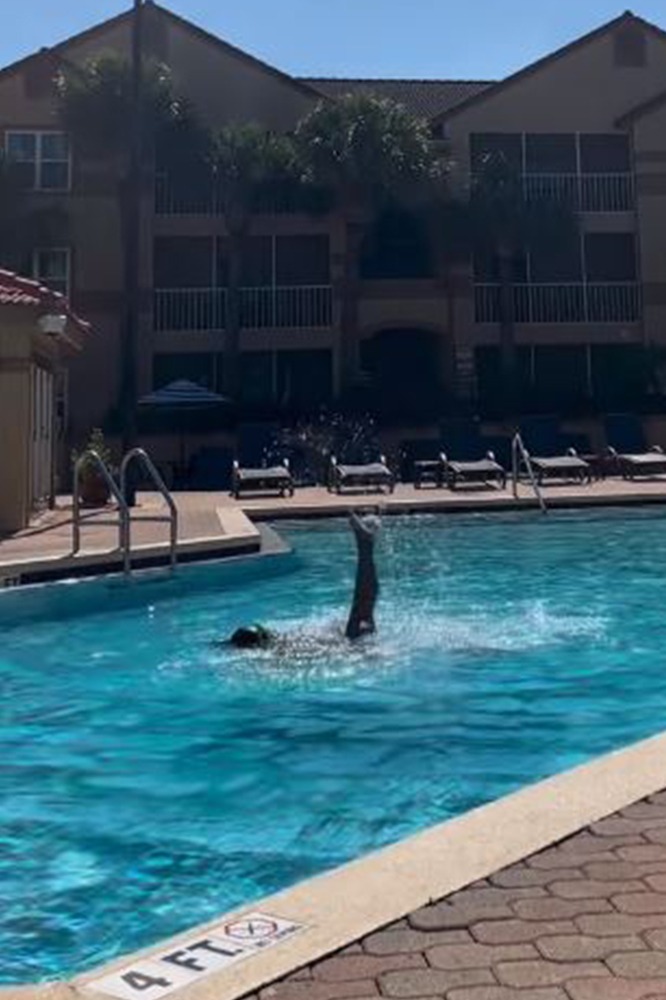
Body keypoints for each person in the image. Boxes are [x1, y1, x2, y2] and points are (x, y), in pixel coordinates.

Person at [227, 511, 381, 649]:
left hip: (341, 646)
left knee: (362, 615)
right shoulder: (279, 643)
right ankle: (365, 546)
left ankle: (365, 546)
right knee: (362, 611)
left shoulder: (277, 653)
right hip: (331, 642)